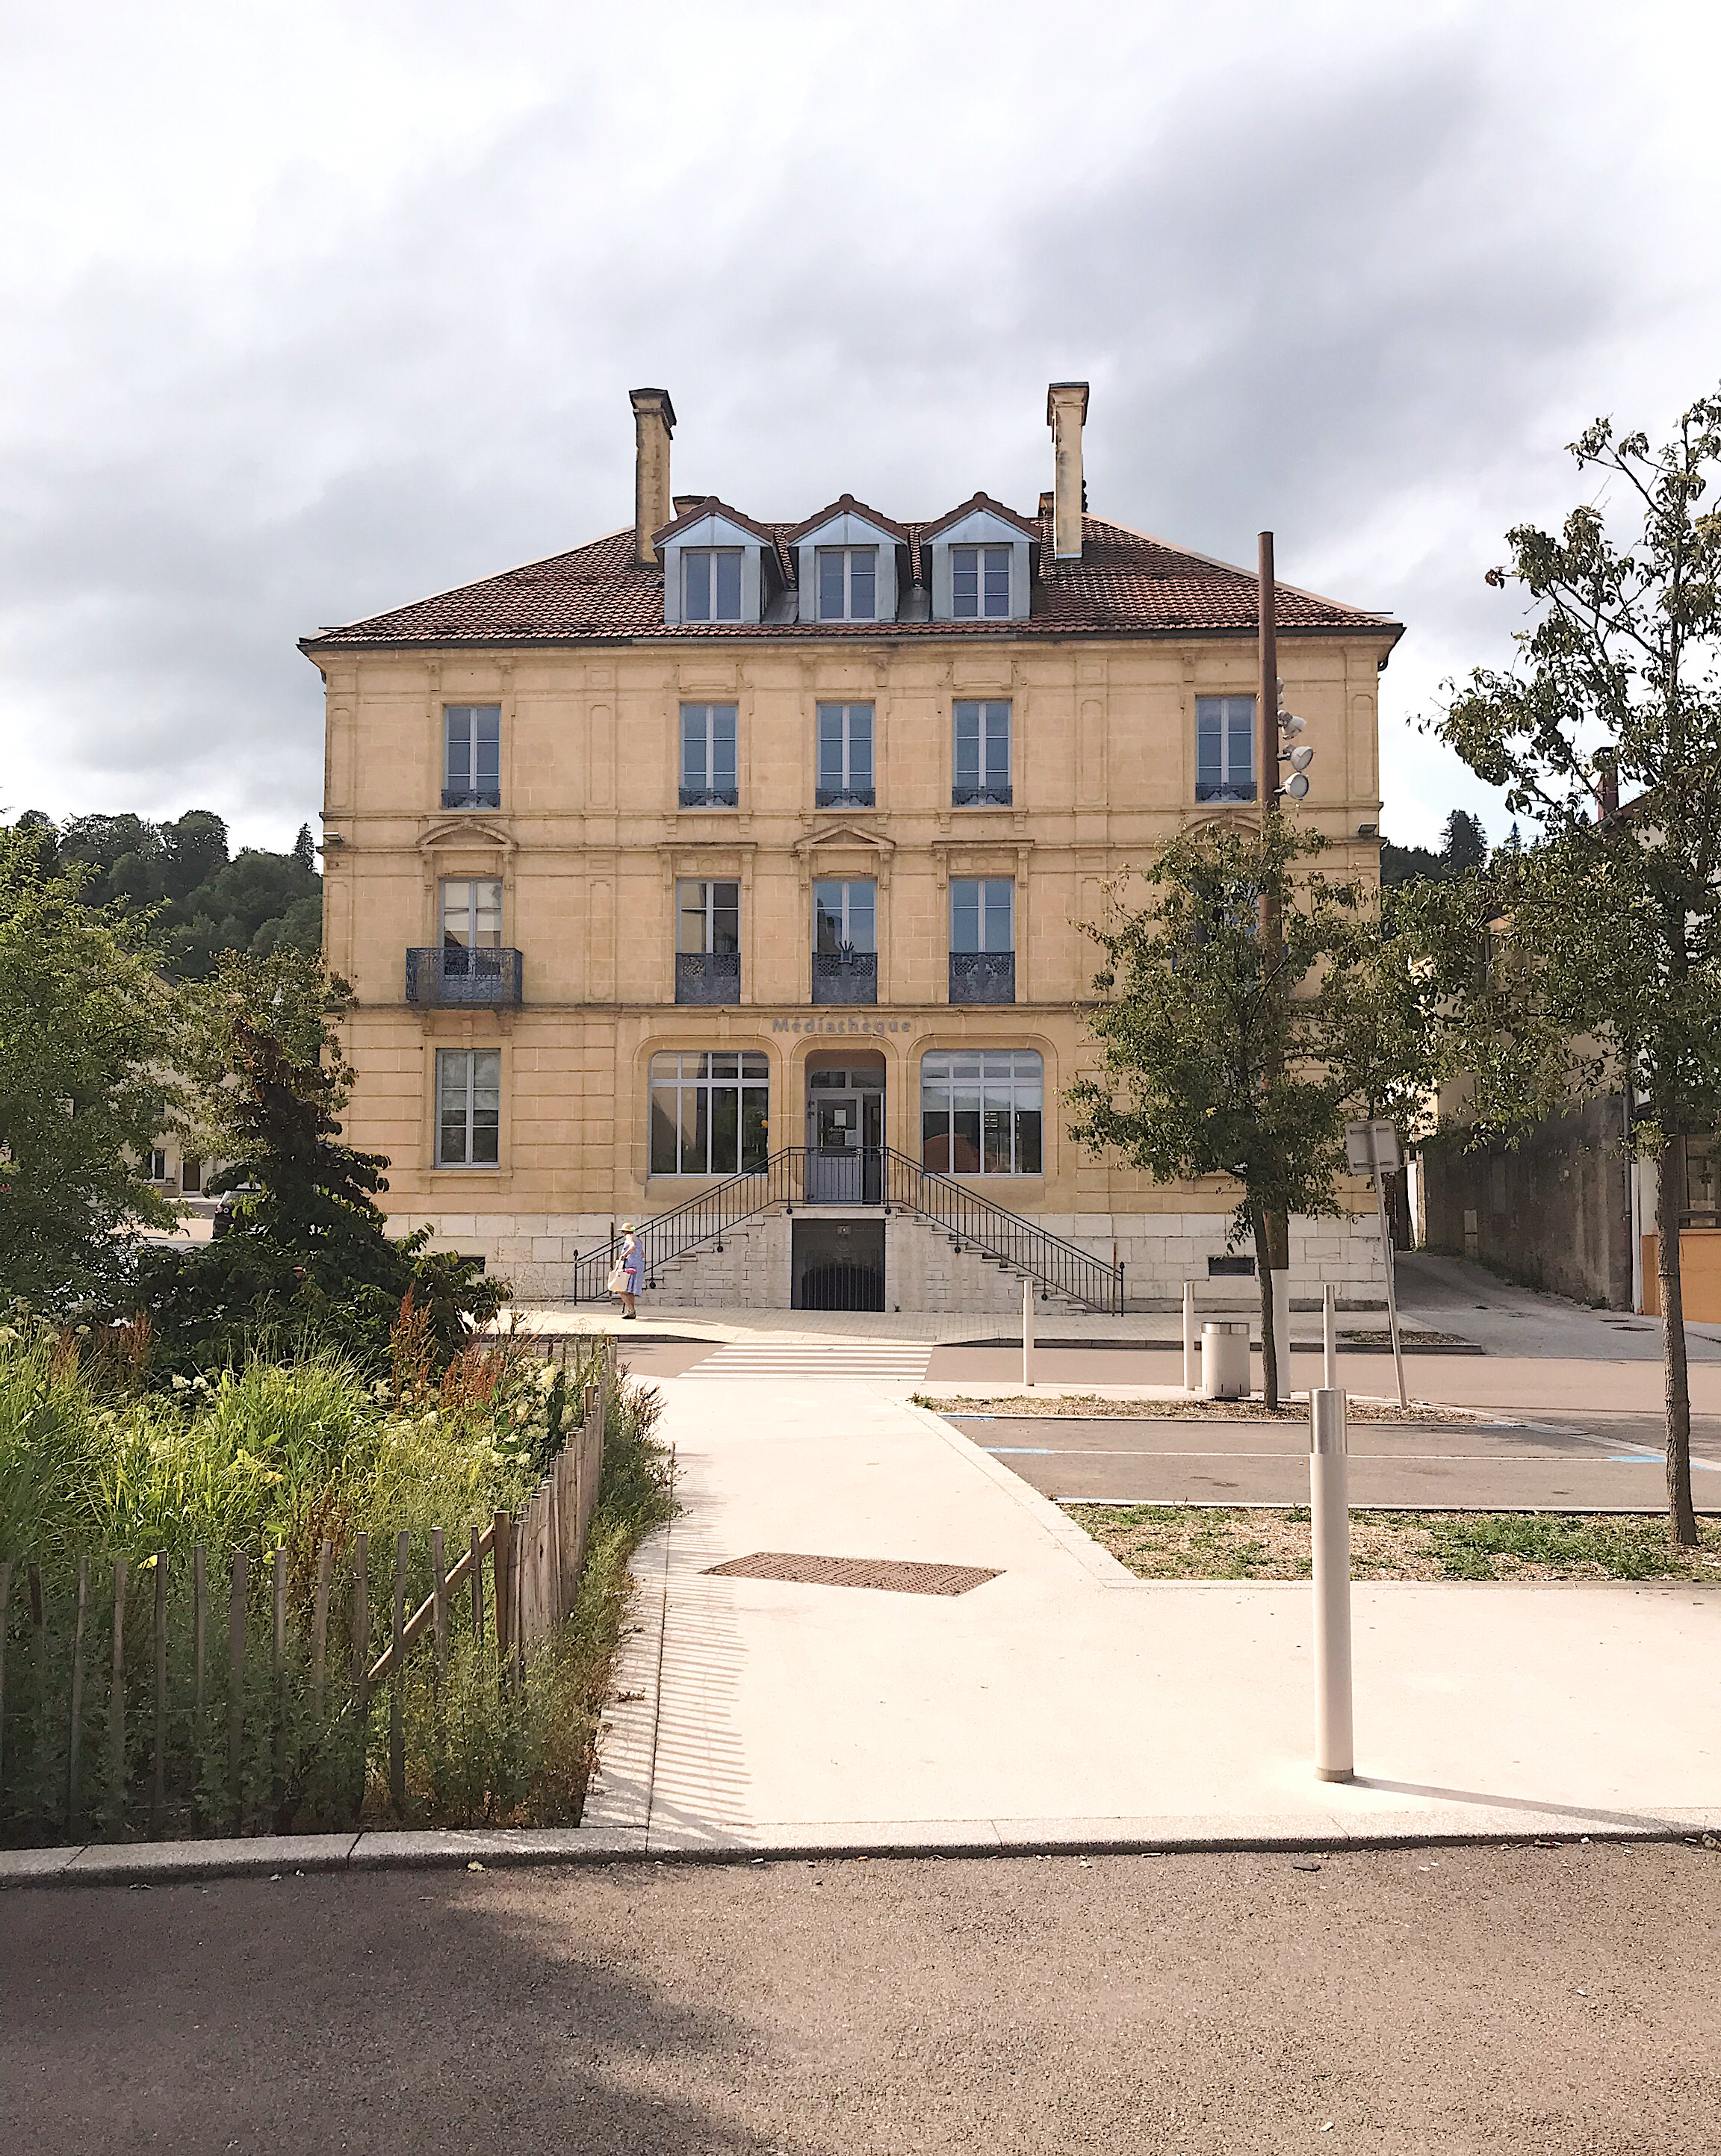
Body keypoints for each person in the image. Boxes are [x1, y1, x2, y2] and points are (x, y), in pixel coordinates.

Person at [616, 1222, 643, 1320]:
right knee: (630, 1290)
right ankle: (631, 1311)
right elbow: (642, 1254)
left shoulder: (629, 1237)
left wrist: (624, 1255)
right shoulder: (638, 1239)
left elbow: (632, 1247)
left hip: (630, 1266)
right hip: (638, 1266)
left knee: (621, 1288)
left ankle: (631, 1310)